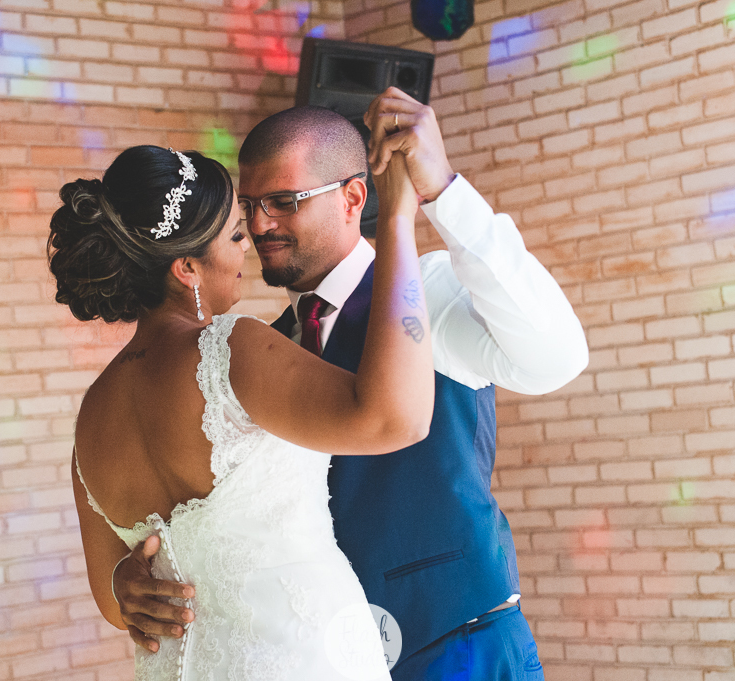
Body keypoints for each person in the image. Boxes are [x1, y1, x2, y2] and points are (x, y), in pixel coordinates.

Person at [112, 89, 590, 680]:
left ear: (353, 197)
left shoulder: (431, 291)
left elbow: (556, 359)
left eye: (284, 202)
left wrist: (441, 189)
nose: (260, 226)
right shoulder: (263, 349)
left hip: (457, 645)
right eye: (252, 205)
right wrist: (133, 576)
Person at [51, 141, 436, 680]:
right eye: (234, 236)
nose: (247, 250)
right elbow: (397, 418)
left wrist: (125, 583)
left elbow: (113, 601)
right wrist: (395, 218)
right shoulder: (229, 352)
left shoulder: (92, 415)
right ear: (186, 267)